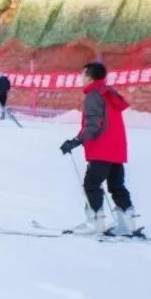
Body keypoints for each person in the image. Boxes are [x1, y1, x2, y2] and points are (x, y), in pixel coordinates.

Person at [59, 62, 141, 237]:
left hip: (102, 148)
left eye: (83, 75)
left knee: (91, 184)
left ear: (90, 76)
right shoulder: (109, 93)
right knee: (116, 186)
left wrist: (75, 141)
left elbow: (93, 124)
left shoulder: (94, 95)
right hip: (117, 148)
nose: (81, 78)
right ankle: (128, 224)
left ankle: (95, 222)